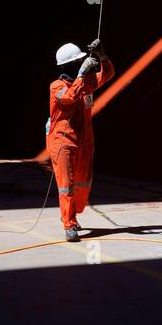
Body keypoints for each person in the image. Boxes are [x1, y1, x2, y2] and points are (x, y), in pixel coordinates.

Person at [46, 39, 114, 241]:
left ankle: (72, 214)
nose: (81, 63)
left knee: (82, 184)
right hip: (63, 141)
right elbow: (68, 97)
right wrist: (82, 74)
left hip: (84, 141)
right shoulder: (56, 86)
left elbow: (108, 74)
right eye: (78, 62)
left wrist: (102, 57)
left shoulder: (86, 83)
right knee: (66, 185)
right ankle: (69, 224)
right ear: (68, 66)